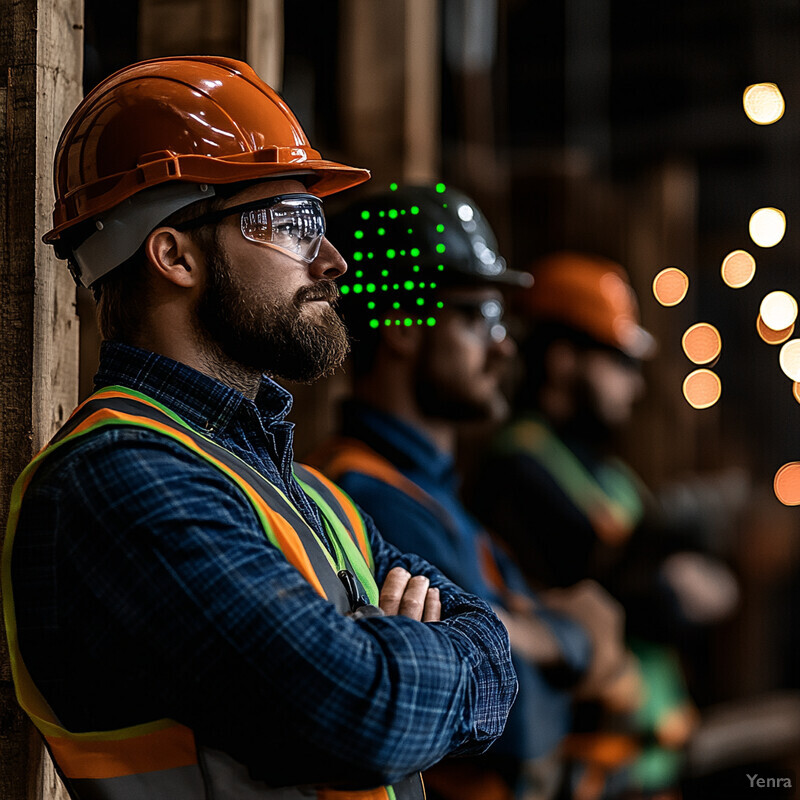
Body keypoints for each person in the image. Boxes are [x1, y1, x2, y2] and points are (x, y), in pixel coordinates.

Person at [2, 57, 518, 800]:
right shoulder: (115, 480)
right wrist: (412, 646)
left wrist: (393, 659)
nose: (333, 261)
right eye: (294, 225)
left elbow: (493, 651)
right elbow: (358, 715)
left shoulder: (307, 494)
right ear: (174, 254)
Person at [307, 186, 639, 800]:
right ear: (403, 327)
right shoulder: (365, 495)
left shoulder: (431, 491)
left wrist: (535, 641)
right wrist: (568, 642)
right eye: (477, 317)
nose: (504, 345)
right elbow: (513, 722)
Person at [473, 251, 740, 798]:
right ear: (564, 358)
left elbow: (682, 597)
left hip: (648, 758)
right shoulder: (516, 467)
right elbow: (631, 601)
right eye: (620, 363)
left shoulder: (612, 474)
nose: (634, 387)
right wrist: (668, 584)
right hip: (586, 766)